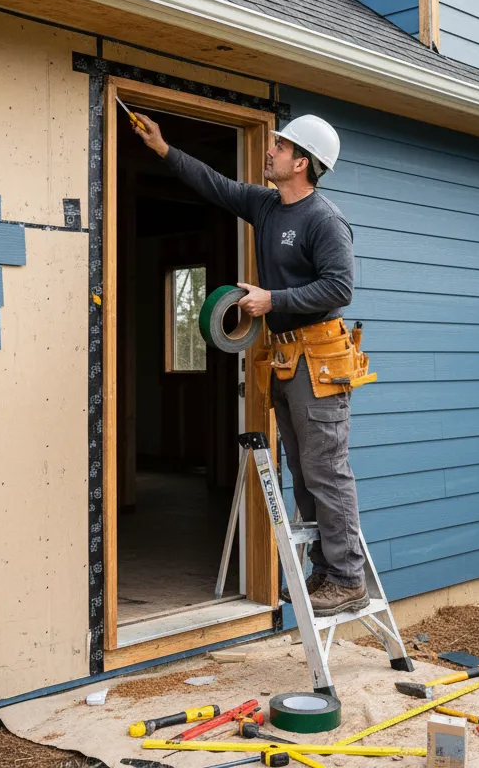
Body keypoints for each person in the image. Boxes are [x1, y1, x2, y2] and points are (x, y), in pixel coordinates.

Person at [131, 110, 368, 615]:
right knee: (303, 471)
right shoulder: (266, 205)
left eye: (280, 146)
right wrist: (163, 148)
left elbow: (339, 287)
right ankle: (325, 571)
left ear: (301, 163)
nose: (270, 150)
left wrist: (272, 299)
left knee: (326, 471)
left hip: (319, 360)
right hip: (285, 357)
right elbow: (215, 184)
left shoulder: (323, 220)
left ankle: (349, 578)